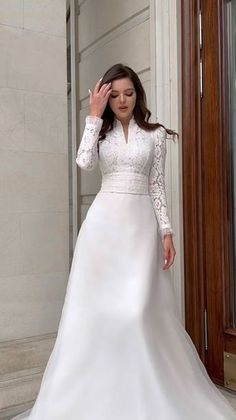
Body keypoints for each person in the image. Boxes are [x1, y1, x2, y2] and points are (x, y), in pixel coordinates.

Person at [11, 63, 236, 419]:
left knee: (137, 312)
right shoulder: (99, 131)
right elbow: (84, 163)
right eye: (114, 95)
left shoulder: (156, 134)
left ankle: (146, 394)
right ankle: (100, 397)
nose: (122, 101)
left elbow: (157, 185)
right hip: (103, 229)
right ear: (106, 98)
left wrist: (167, 232)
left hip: (141, 229)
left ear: (138, 94)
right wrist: (93, 116)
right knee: (96, 313)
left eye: (128, 93)